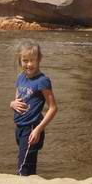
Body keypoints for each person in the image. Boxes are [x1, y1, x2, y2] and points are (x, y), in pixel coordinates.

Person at [9, 39, 58, 176]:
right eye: (25, 60)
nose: (29, 64)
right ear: (20, 60)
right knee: (27, 165)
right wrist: (11, 104)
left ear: (39, 59)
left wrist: (38, 129)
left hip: (32, 129)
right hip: (19, 127)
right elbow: (17, 100)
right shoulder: (20, 77)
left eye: (33, 60)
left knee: (22, 168)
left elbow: (53, 108)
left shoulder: (42, 81)